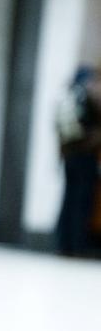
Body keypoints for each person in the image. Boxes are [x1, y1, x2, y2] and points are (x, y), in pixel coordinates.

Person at [54, 65, 101, 257]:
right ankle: (78, 245)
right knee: (82, 201)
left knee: (68, 199)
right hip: (85, 155)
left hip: (68, 156)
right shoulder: (88, 97)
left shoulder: (67, 96)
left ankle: (63, 244)